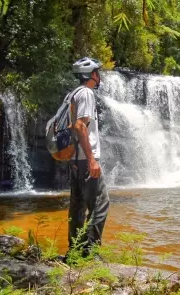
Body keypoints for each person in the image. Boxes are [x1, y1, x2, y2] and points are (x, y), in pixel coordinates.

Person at [67, 57, 110, 258]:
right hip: (85, 158)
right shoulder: (86, 93)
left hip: (75, 159)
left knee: (77, 206)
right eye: (97, 72)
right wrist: (92, 159)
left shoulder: (72, 94)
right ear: (92, 75)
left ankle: (74, 250)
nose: (99, 76)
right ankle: (90, 252)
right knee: (100, 203)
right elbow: (80, 125)